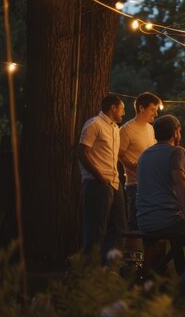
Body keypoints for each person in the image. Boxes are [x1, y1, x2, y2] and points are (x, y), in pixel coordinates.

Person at [136, 115, 185, 287]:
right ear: (175, 132)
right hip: (167, 220)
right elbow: (180, 182)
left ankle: (175, 272)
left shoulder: (145, 154)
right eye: (180, 131)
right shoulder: (176, 151)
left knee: (175, 233)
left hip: (144, 220)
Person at [78, 95, 126, 262]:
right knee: (96, 228)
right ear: (113, 107)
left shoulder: (115, 129)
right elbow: (82, 153)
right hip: (97, 183)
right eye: (122, 108)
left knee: (119, 225)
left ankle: (110, 268)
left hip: (115, 182)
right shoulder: (94, 124)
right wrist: (98, 175)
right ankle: (90, 270)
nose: (124, 113)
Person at [119, 92, 161, 232]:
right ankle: (132, 253)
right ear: (141, 108)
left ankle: (148, 253)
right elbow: (119, 155)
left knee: (150, 223)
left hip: (151, 183)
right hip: (134, 184)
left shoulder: (150, 129)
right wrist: (134, 165)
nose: (155, 114)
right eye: (152, 110)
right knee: (135, 223)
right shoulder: (126, 130)